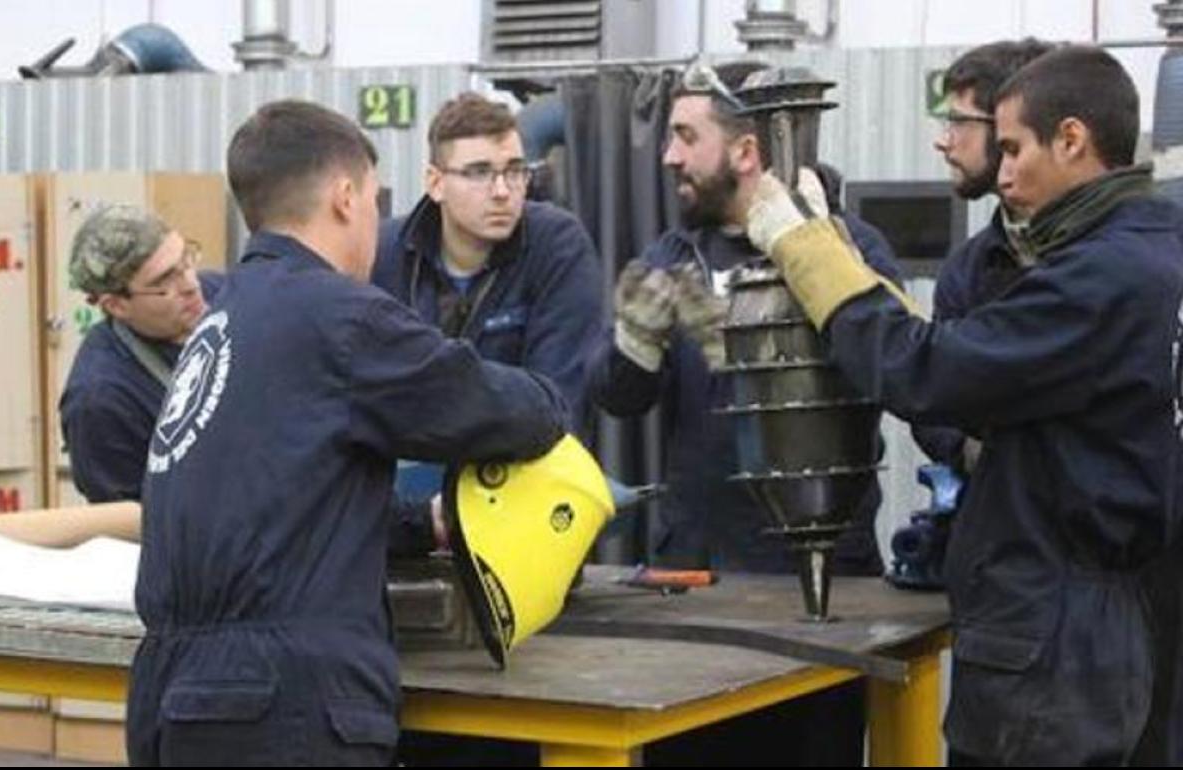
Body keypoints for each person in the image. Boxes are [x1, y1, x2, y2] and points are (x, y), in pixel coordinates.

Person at [745, 46, 1183, 765]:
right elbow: (966, 354)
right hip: (1102, 628)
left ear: (1071, 139)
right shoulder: (1156, 251)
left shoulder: (1102, 276)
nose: (1001, 173)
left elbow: (924, 371)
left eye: (1013, 149)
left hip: (1054, 634)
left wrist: (804, 251)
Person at [125, 100, 568, 767]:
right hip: (276, 706)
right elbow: (505, 412)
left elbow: (279, 498)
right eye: (372, 201)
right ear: (344, 197)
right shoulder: (336, 315)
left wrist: (426, 525)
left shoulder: (223, 323)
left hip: (180, 693)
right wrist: (549, 399)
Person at [585, 61, 903, 766]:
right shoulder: (673, 257)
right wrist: (633, 341)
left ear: (746, 151)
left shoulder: (848, 249)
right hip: (699, 591)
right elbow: (616, 397)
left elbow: (900, 368)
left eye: (684, 136)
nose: (668, 156)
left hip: (822, 593)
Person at [373, 91, 602, 436]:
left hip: (524, 473)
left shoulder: (557, 245)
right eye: (479, 173)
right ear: (435, 184)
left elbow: (559, 403)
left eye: (514, 171)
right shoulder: (386, 254)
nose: (501, 191)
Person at [912, 38, 1053, 471]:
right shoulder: (969, 270)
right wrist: (980, 457)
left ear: (1009, 124)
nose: (943, 142)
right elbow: (933, 404)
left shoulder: (1110, 255)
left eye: (958, 122)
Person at [60, 205, 222, 502]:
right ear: (116, 306)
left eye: (186, 259)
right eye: (164, 282)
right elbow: (125, 526)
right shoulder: (100, 401)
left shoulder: (221, 294)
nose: (190, 285)